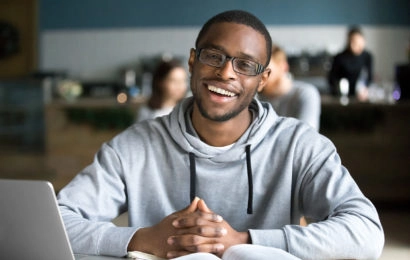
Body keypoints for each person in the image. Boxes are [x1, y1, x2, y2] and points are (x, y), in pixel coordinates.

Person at [57, 10, 384, 260]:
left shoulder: (300, 146)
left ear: (263, 79)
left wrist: (242, 241)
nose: (226, 72)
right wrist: (142, 238)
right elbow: (57, 220)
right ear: (192, 61)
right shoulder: (132, 147)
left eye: (245, 65)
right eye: (213, 56)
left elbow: (366, 232)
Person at [258, 44, 321, 131]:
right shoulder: (256, 97)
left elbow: (306, 137)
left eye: (266, 69)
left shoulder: (305, 94)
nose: (259, 75)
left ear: (283, 67)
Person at [328, 26, 373, 101]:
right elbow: (331, 79)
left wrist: (366, 89)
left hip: (361, 96)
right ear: (349, 42)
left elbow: (369, 78)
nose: (358, 45)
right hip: (342, 96)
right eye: (354, 42)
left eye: (360, 42)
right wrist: (339, 89)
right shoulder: (339, 58)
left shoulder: (367, 56)